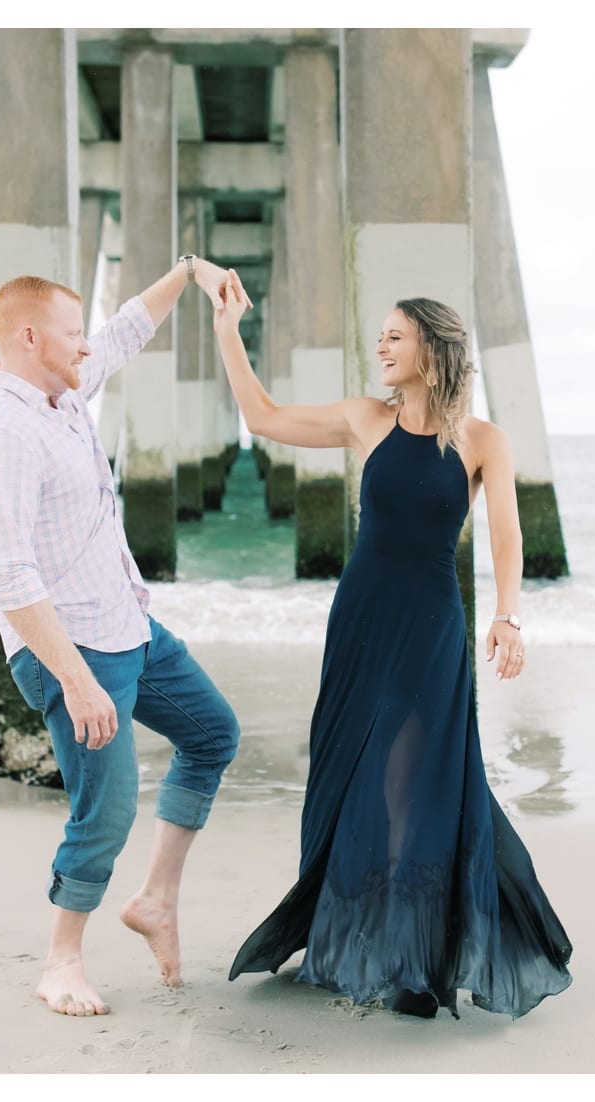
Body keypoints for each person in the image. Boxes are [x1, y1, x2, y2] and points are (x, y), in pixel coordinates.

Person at [214, 273, 572, 1019]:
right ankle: (344, 931)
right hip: (362, 617)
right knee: (348, 770)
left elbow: (506, 536)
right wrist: (228, 333)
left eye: (395, 336)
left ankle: (417, 958)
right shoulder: (363, 419)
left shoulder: (482, 440)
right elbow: (265, 414)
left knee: (418, 775)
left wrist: (508, 616)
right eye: (379, 336)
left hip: (432, 622)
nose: (380, 345)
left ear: (431, 349)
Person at [0, 256, 245, 1018]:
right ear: (27, 337)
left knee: (213, 733)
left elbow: (120, 336)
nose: (86, 346)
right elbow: (4, 573)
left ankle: (155, 900)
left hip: (128, 626)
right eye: (70, 333)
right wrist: (76, 680)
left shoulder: (61, 394)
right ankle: (61, 961)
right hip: (70, 650)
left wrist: (188, 273)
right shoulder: (1, 434)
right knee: (106, 809)